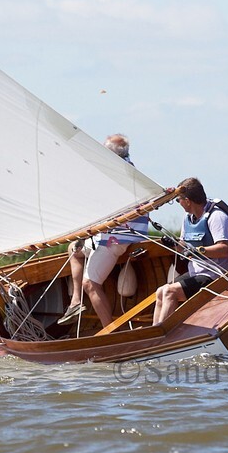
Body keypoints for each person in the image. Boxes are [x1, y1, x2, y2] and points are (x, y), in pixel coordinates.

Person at [58, 133, 148, 327]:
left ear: (112, 155)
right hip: (110, 236)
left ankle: (110, 331)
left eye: (103, 151)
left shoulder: (119, 174)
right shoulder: (127, 171)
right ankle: (76, 301)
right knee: (74, 250)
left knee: (90, 284)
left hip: (115, 240)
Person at [152, 177, 228, 326]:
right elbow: (183, 247)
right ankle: (153, 333)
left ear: (187, 200)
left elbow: (223, 249)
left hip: (216, 275)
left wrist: (199, 251)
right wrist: (174, 244)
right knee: (161, 291)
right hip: (196, 273)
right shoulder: (188, 218)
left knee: (170, 292)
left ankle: (161, 335)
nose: (179, 204)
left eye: (178, 200)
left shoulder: (216, 216)